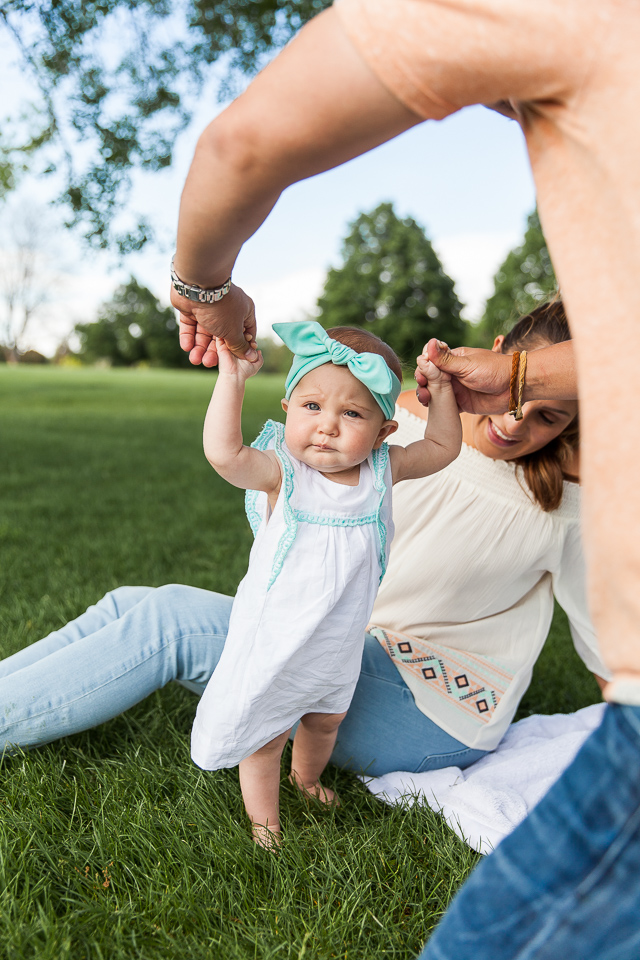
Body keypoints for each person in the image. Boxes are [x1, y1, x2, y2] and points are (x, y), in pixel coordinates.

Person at [168, 3, 640, 954]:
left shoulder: (570, 20)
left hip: (401, 681)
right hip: (354, 643)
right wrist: (511, 382)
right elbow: (245, 454)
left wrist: (204, 292)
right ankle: (282, 793)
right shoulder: (360, 448)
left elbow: (244, 144)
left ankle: (289, 790)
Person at [1, 303, 606, 802]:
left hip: (431, 708)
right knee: (134, 603)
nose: (516, 423)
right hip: (346, 643)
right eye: (517, 393)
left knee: (169, 624)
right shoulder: (389, 420)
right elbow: (309, 449)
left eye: (550, 414)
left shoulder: (570, 502)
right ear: (500, 355)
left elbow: (616, 657)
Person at [191, 321, 460, 846]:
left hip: (338, 637)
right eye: (313, 407)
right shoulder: (282, 473)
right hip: (278, 633)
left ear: (384, 432)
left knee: (325, 717)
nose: (328, 427)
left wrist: (444, 391)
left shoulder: (384, 469)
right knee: (268, 731)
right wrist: (232, 380)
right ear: (289, 408)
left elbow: (445, 446)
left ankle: (306, 778)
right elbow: (224, 455)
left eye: (352, 413)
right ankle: (264, 824)